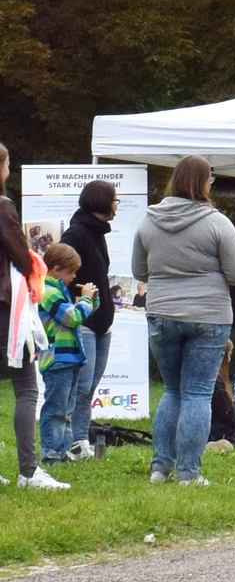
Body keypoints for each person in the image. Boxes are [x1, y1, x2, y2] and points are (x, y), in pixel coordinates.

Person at [132, 155, 235, 486]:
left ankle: (159, 468)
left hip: (161, 313)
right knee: (197, 394)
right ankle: (189, 473)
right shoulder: (216, 223)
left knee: (172, 391)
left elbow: (139, 271)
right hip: (208, 316)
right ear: (204, 183)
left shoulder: (148, 222)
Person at [0, 142, 71, 490]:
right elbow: (21, 256)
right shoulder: (2, 207)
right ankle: (28, 471)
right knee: (27, 387)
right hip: (4, 309)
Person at [62, 178, 119, 460]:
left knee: (90, 386)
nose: (116, 205)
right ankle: (65, 441)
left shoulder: (98, 234)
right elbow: (59, 270)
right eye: (114, 200)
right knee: (80, 386)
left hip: (102, 322)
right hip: (84, 321)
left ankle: (80, 440)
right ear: (102, 202)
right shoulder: (76, 234)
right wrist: (77, 298)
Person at [38, 243, 98, 465]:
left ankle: (63, 451)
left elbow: (80, 314)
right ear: (55, 269)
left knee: (67, 408)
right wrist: (86, 299)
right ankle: (51, 452)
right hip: (57, 359)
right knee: (55, 408)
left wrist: (93, 299)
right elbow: (72, 317)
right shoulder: (48, 291)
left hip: (70, 358)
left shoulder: (58, 290)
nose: (74, 276)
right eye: (70, 272)